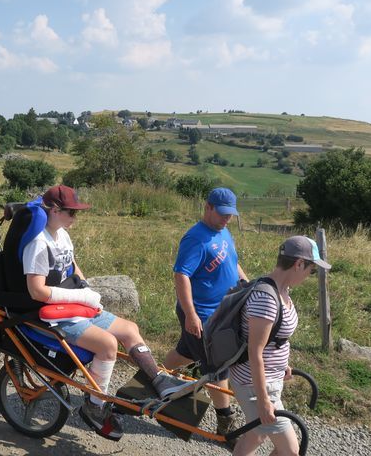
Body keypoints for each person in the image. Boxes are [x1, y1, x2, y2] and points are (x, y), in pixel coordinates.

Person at [22, 185, 193, 441]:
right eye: (72, 213)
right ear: (55, 210)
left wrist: (87, 290)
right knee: (108, 345)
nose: (75, 218)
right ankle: (93, 407)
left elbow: (72, 267)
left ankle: (159, 381)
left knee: (130, 328)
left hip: (75, 306)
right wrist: (80, 297)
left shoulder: (62, 235)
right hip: (56, 315)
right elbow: (36, 291)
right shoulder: (38, 244)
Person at [230, 236, 331, 455]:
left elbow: (275, 339)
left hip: (269, 379)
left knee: (256, 434)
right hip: (255, 386)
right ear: (298, 264)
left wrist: (281, 364)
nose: (309, 275)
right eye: (311, 270)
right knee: (291, 451)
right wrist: (264, 401)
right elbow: (254, 351)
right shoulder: (266, 298)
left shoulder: (281, 290)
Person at [164, 187, 248, 437]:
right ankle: (226, 422)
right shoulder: (196, 238)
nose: (227, 219)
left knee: (186, 352)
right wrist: (191, 315)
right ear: (208, 207)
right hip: (201, 313)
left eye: (230, 214)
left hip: (221, 311)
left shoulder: (223, 232)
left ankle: (154, 379)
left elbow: (232, 261)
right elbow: (182, 275)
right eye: (222, 213)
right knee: (216, 366)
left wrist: (246, 285)